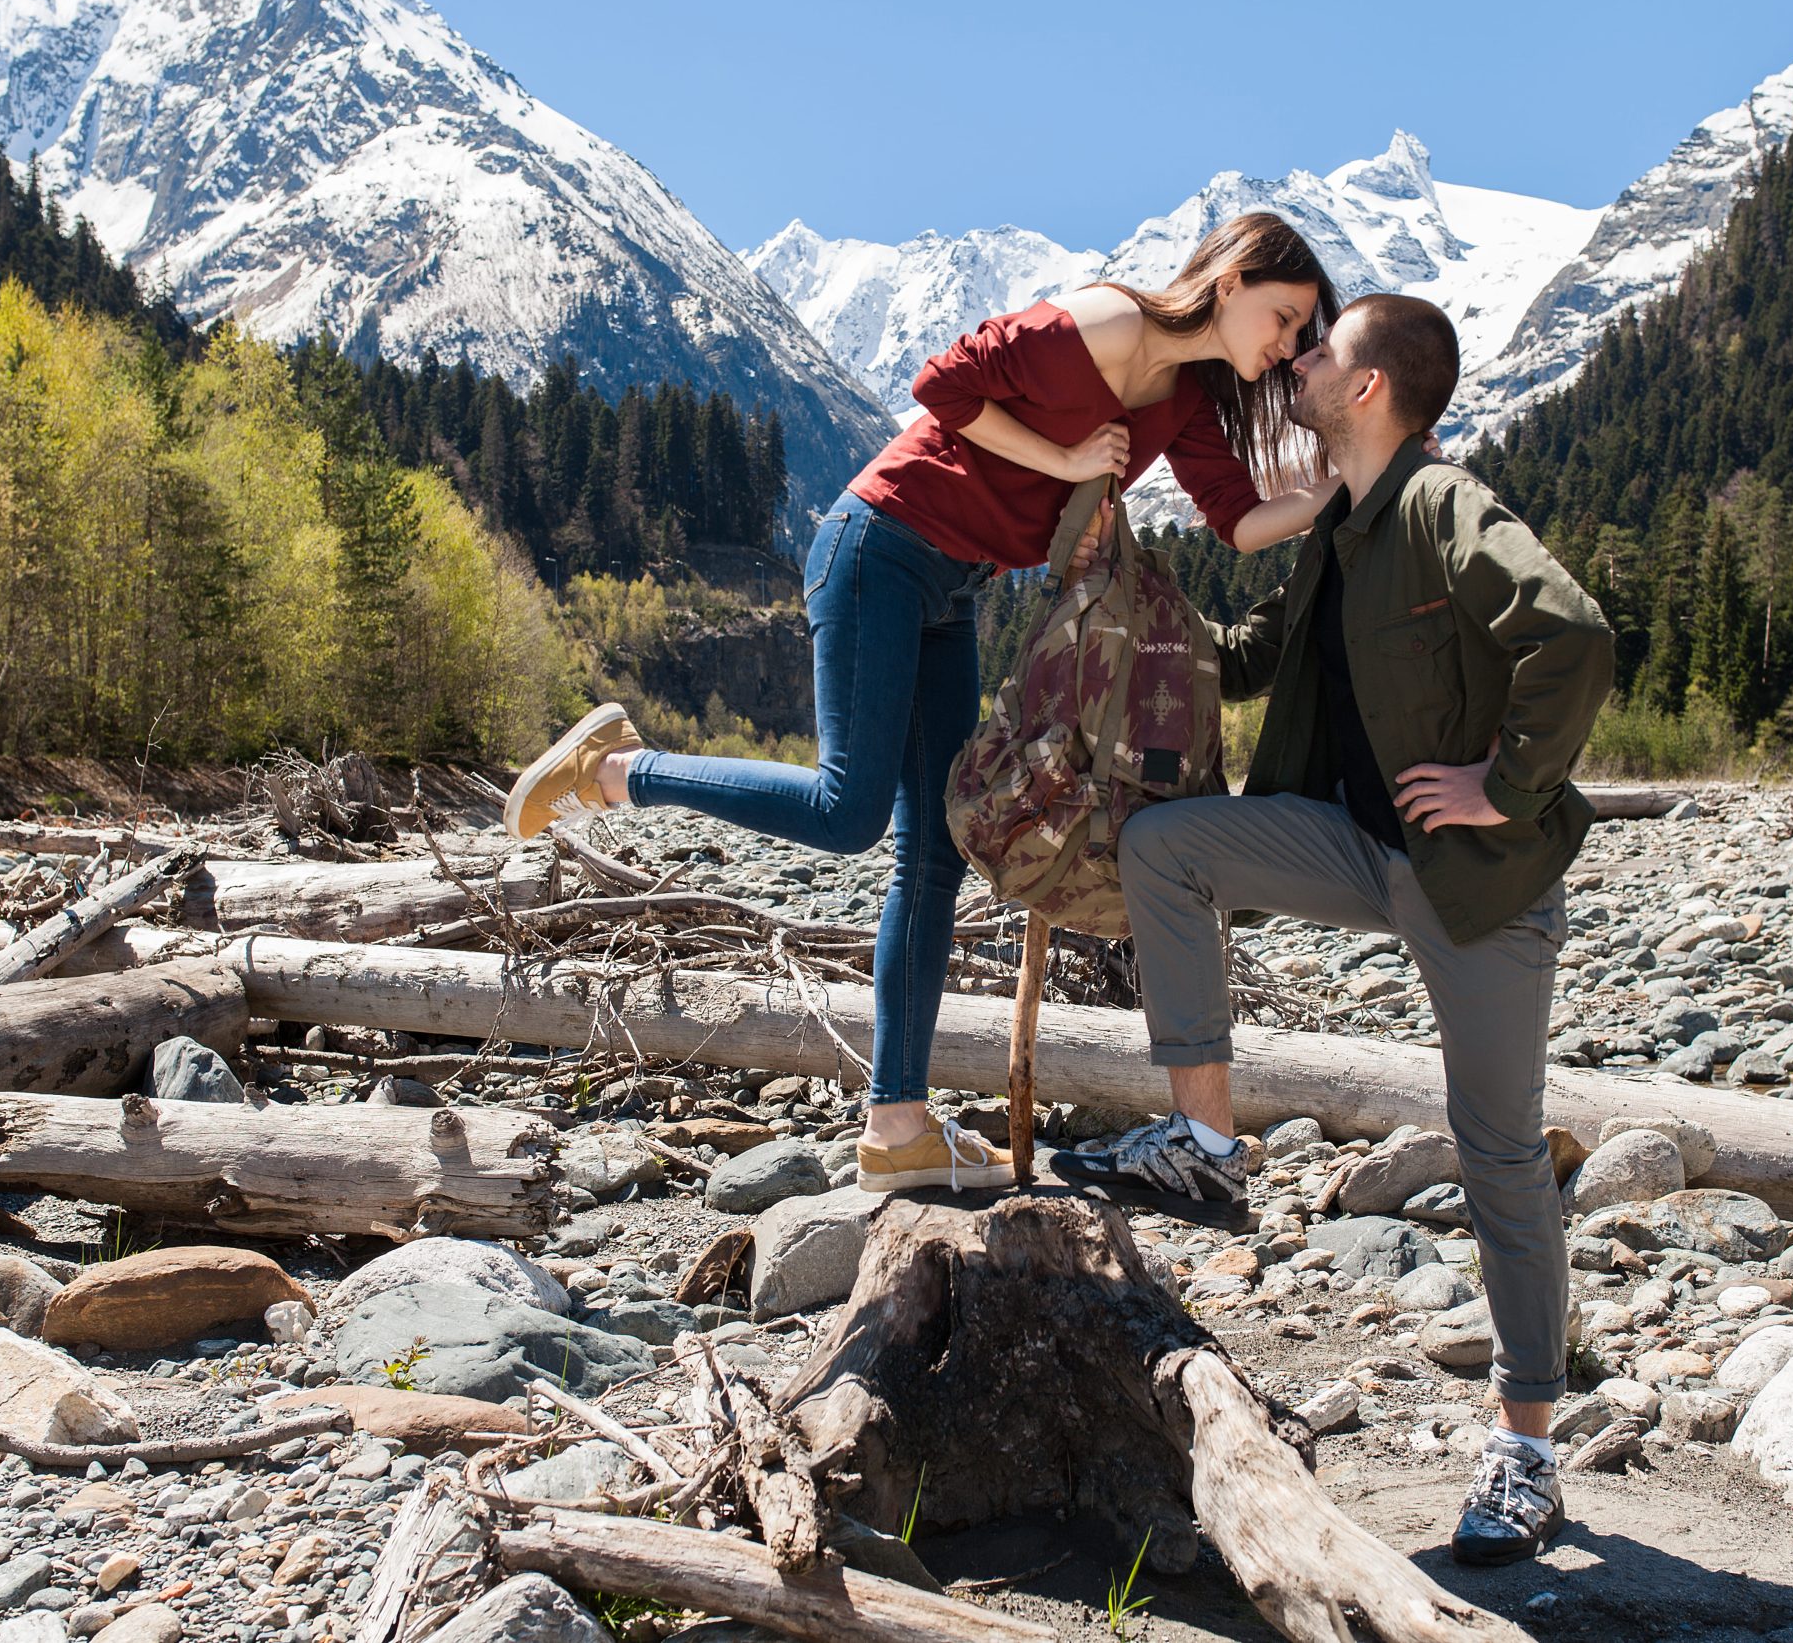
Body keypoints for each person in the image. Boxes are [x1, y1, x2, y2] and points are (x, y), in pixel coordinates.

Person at [503, 214, 1342, 1194]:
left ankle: (896, 1124)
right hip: (880, 548)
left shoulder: (1191, 399)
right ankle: (615, 770)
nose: (1282, 346)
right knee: (845, 809)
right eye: (1283, 318)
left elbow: (1238, 524)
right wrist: (1068, 463)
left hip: (952, 586)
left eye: (1297, 336)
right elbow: (943, 388)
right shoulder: (1107, 323)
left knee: (934, 850)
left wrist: (1344, 484)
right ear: (1234, 277)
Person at [1049, 293, 1615, 1565]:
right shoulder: (1341, 527)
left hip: (1479, 880)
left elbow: (1572, 635)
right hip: (1360, 849)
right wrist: (1130, 602)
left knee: (1499, 1152)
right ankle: (1202, 1136)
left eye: (1319, 353)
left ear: (1366, 390)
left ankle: (1526, 1452)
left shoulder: (1441, 502)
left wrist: (1502, 787)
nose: (1297, 366)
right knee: (1168, 846)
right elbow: (1247, 661)